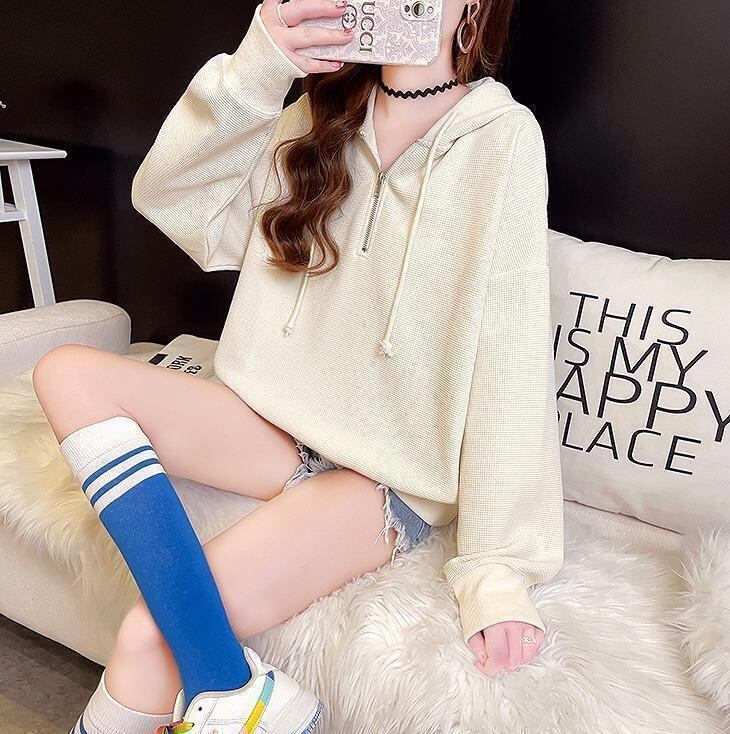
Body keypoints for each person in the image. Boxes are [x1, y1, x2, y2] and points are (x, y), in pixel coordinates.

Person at [34, 0, 565, 731]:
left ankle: (226, 684)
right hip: (271, 426)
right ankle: (237, 692)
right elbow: (172, 204)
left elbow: (512, 350)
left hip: (383, 476)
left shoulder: (501, 139)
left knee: (150, 635)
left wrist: (498, 569)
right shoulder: (316, 116)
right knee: (66, 372)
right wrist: (258, 69)